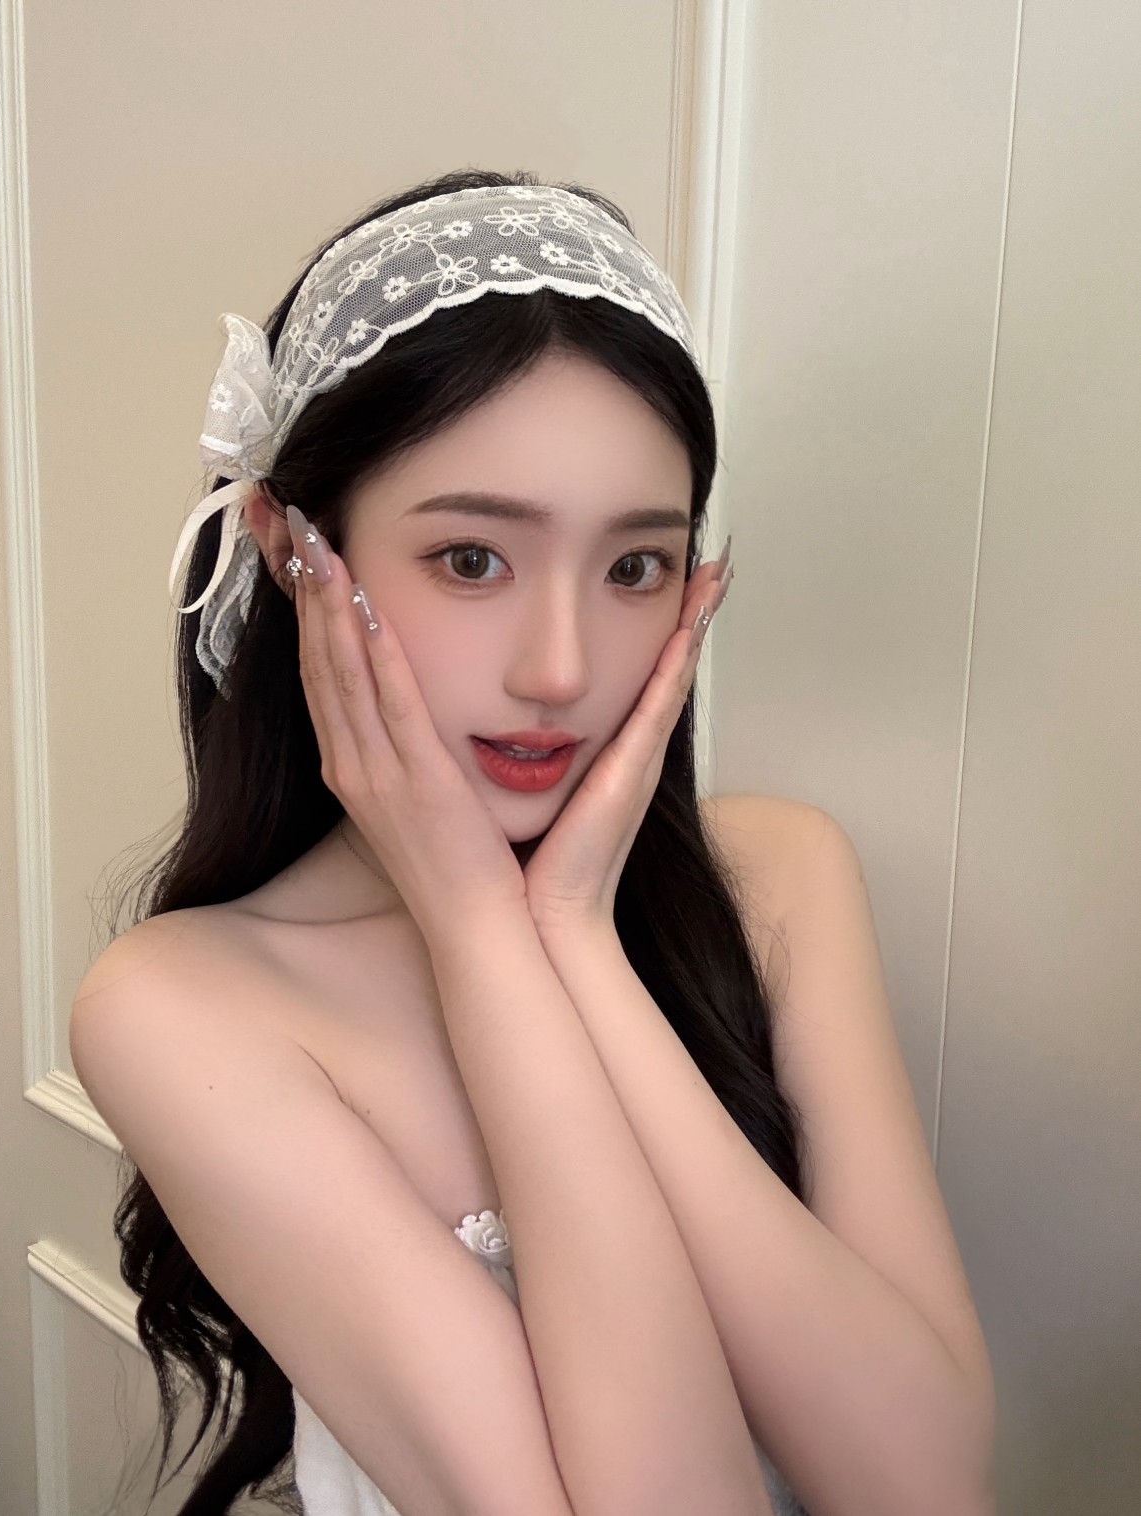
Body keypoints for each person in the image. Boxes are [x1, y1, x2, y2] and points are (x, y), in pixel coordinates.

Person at [65, 165, 915, 1516]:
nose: (560, 670)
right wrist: (480, 933)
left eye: (634, 567)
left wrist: (570, 934)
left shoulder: (783, 878)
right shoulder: (184, 1008)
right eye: (472, 559)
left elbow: (924, 1480)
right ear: (292, 552)